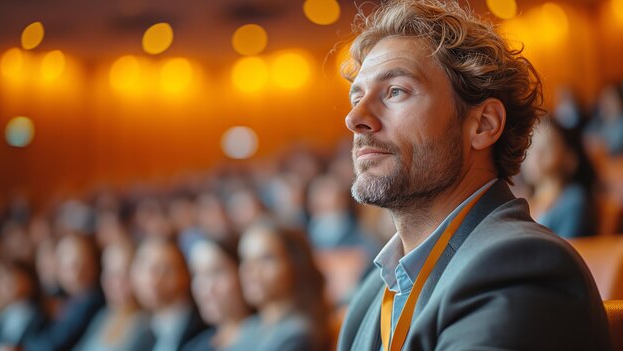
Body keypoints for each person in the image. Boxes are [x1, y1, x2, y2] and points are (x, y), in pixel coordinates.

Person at [337, 1, 611, 350]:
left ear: (483, 125)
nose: (355, 117)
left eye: (396, 91)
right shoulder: (370, 297)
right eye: (356, 96)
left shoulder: (518, 266)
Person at [235, 223, 330, 351]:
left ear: (295, 264)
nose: (250, 271)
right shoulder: (249, 327)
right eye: (244, 260)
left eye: (266, 259)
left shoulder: (298, 336)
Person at [523, 118, 597, 238]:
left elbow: (565, 250)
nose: (535, 156)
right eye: (530, 145)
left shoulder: (573, 200)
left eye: (546, 147)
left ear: (570, 158)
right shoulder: (527, 202)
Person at [129, 237, 206, 351]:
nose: (152, 280)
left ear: (186, 275)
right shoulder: (142, 332)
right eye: (145, 268)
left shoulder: (201, 331)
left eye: (165, 270)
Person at [74, 239, 147, 351]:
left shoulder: (146, 325)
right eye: (108, 273)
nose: (113, 282)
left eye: (123, 273)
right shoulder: (104, 315)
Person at [183, 238, 253, 351]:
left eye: (217, 272)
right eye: (196, 274)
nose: (205, 288)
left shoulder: (271, 338)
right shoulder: (194, 347)